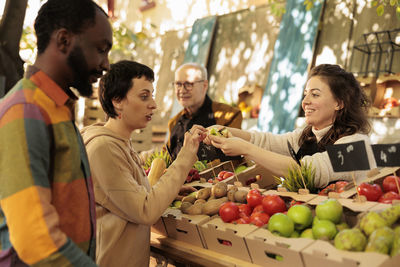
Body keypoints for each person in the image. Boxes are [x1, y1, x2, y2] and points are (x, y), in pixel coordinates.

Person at [0, 0, 112, 266]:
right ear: (64, 40)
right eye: (100, 49)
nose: (106, 64)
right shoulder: (27, 110)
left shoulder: (57, 108)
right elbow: (35, 239)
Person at [80, 60, 205, 267]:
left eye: (152, 95)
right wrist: (185, 156)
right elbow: (145, 210)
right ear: (117, 100)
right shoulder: (104, 148)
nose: (153, 104)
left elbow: (129, 197)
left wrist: (170, 188)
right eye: (144, 96)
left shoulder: (119, 142)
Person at [204, 64, 376, 188]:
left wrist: (246, 149)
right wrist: (224, 130)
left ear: (339, 103)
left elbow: (307, 172)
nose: (305, 101)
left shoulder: (356, 144)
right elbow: (266, 141)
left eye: (315, 95)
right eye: (305, 94)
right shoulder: (307, 136)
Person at [167, 62, 243, 161]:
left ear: (204, 85)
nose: (182, 90)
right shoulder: (173, 123)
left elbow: (234, 156)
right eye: (178, 84)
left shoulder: (228, 115)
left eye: (188, 84)